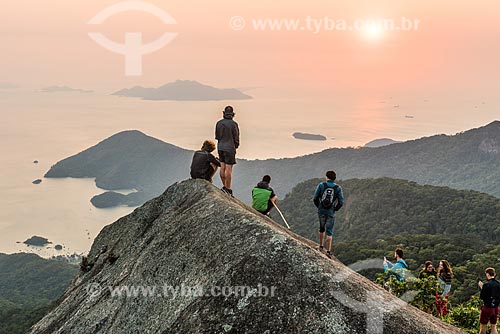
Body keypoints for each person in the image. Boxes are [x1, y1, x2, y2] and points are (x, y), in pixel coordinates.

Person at [313, 170, 344, 259]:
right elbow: (341, 202)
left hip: (321, 211)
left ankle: (321, 246)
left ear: (327, 177)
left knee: (322, 228)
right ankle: (329, 252)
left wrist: (319, 207)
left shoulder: (321, 185)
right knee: (329, 232)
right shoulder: (338, 188)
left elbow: (315, 198)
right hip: (331, 212)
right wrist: (335, 209)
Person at [215, 106, 240, 196]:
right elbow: (236, 137)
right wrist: (236, 146)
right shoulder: (234, 124)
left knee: (222, 167)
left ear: (224, 113)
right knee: (229, 168)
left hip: (220, 146)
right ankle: (228, 188)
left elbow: (217, 136)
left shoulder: (219, 123)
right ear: (232, 114)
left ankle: (224, 186)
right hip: (230, 148)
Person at [478, 267, 500, 334]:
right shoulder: (499, 284)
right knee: (493, 326)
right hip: (496, 307)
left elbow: (482, 297)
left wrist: (482, 288)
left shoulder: (486, 285)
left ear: (487, 274)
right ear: (494, 274)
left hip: (487, 307)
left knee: (483, 325)